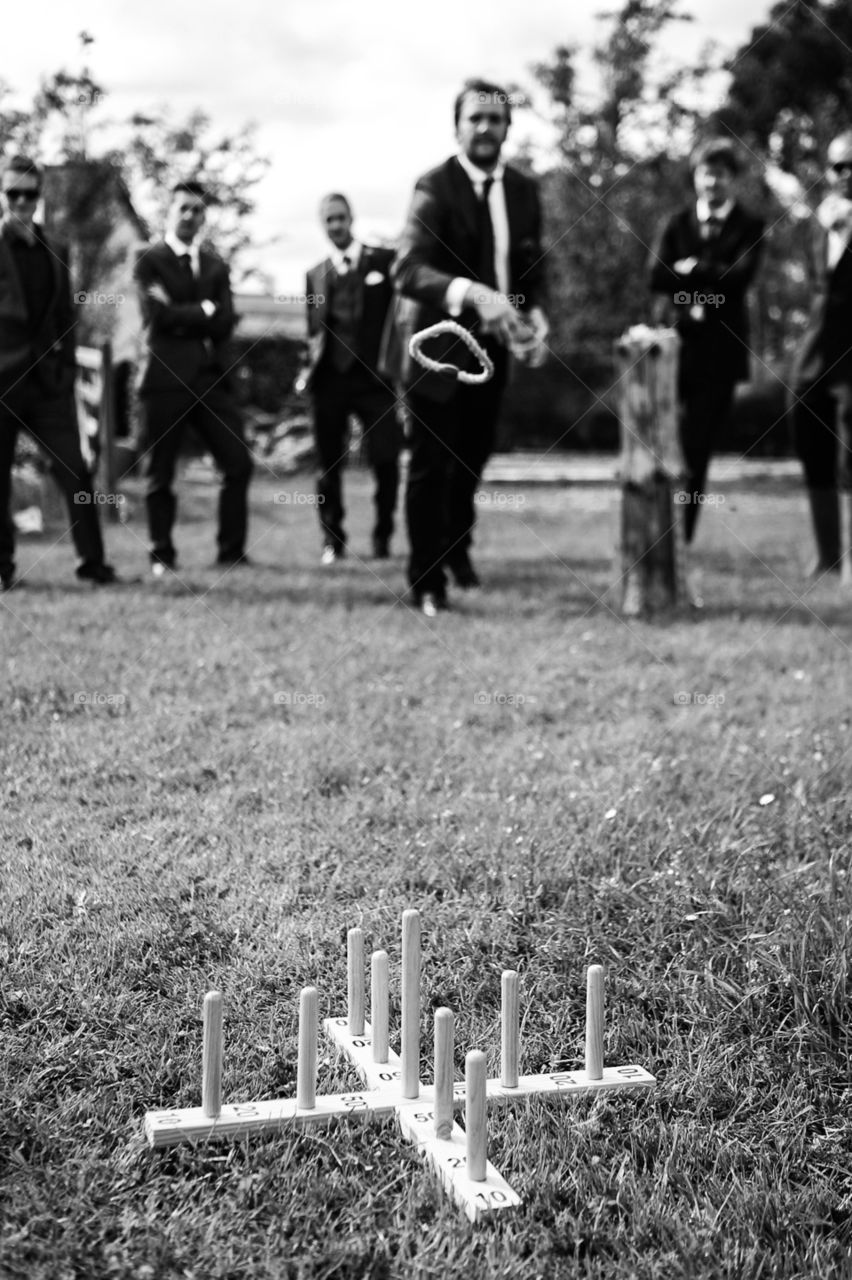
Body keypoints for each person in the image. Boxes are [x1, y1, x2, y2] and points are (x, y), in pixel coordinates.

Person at [390, 79, 549, 616]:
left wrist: (536, 315)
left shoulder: (526, 191)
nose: (485, 127)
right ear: (457, 125)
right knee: (431, 466)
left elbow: (531, 265)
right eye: (475, 117)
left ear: (508, 127)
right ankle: (426, 581)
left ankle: (457, 552)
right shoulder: (434, 186)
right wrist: (476, 295)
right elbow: (407, 270)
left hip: (495, 351)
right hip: (437, 350)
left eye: (495, 118)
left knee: (471, 461)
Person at [0, 155, 116, 590]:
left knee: (76, 471)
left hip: (48, 384)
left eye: (30, 193)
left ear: (40, 195)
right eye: (13, 193)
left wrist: (65, 369)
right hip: (2, 382)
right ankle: (3, 570)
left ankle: (93, 564)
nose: (22, 201)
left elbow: (66, 317)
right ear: (3, 193)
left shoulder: (56, 249)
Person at [134, 179, 252, 578]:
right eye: (183, 207)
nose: (190, 215)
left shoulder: (217, 266)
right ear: (169, 211)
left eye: (197, 210)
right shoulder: (148, 260)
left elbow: (225, 321)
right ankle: (161, 554)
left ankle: (231, 552)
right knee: (160, 472)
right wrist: (202, 310)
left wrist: (190, 312)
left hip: (210, 381)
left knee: (238, 463)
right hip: (165, 379)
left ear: (204, 216)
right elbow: (157, 317)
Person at [649, 138, 765, 543]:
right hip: (673, 348)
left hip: (721, 354)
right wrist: (712, 274)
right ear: (695, 177)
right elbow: (656, 277)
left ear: (732, 180)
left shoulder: (749, 226)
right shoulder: (675, 223)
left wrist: (695, 267)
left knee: (697, 447)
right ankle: (655, 529)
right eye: (705, 172)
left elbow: (742, 278)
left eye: (720, 173)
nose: (712, 182)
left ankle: (681, 538)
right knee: (663, 437)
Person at [301, 194, 401, 564]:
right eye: (329, 220)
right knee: (327, 465)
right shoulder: (315, 274)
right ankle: (332, 541)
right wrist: (306, 370)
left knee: (387, 460)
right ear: (322, 225)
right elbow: (314, 332)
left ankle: (382, 539)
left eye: (341, 218)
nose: (336, 225)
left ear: (352, 219)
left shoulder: (384, 262)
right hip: (329, 380)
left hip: (376, 379)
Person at [791, 129, 852, 579]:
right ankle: (829, 556)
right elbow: (817, 290)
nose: (846, 174)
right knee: (812, 443)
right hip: (816, 355)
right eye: (838, 166)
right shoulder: (817, 222)